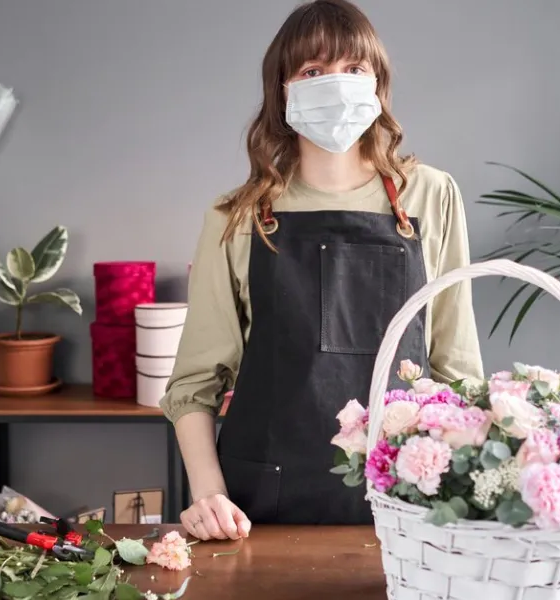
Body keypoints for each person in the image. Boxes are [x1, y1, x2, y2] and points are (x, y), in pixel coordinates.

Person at [159, 0, 484, 541]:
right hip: (257, 504)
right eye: (313, 72)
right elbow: (193, 387)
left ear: (377, 83)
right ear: (282, 90)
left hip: (404, 502)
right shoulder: (235, 217)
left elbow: (456, 371)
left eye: (353, 69)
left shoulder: (430, 195)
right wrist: (208, 495)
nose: (336, 86)